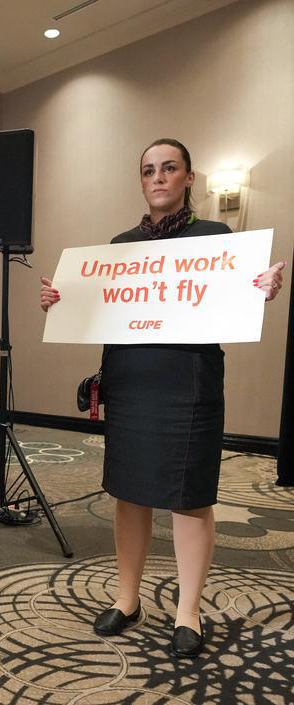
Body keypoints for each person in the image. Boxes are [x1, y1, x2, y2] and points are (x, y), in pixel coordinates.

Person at [39, 138, 285, 658]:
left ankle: (187, 611)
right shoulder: (120, 243)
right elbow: (101, 306)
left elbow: (237, 295)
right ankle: (127, 601)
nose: (158, 178)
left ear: (188, 178)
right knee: (129, 491)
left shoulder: (216, 236)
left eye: (169, 168)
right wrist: (62, 302)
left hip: (188, 381)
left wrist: (260, 287)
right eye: (149, 170)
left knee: (189, 495)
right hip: (132, 380)